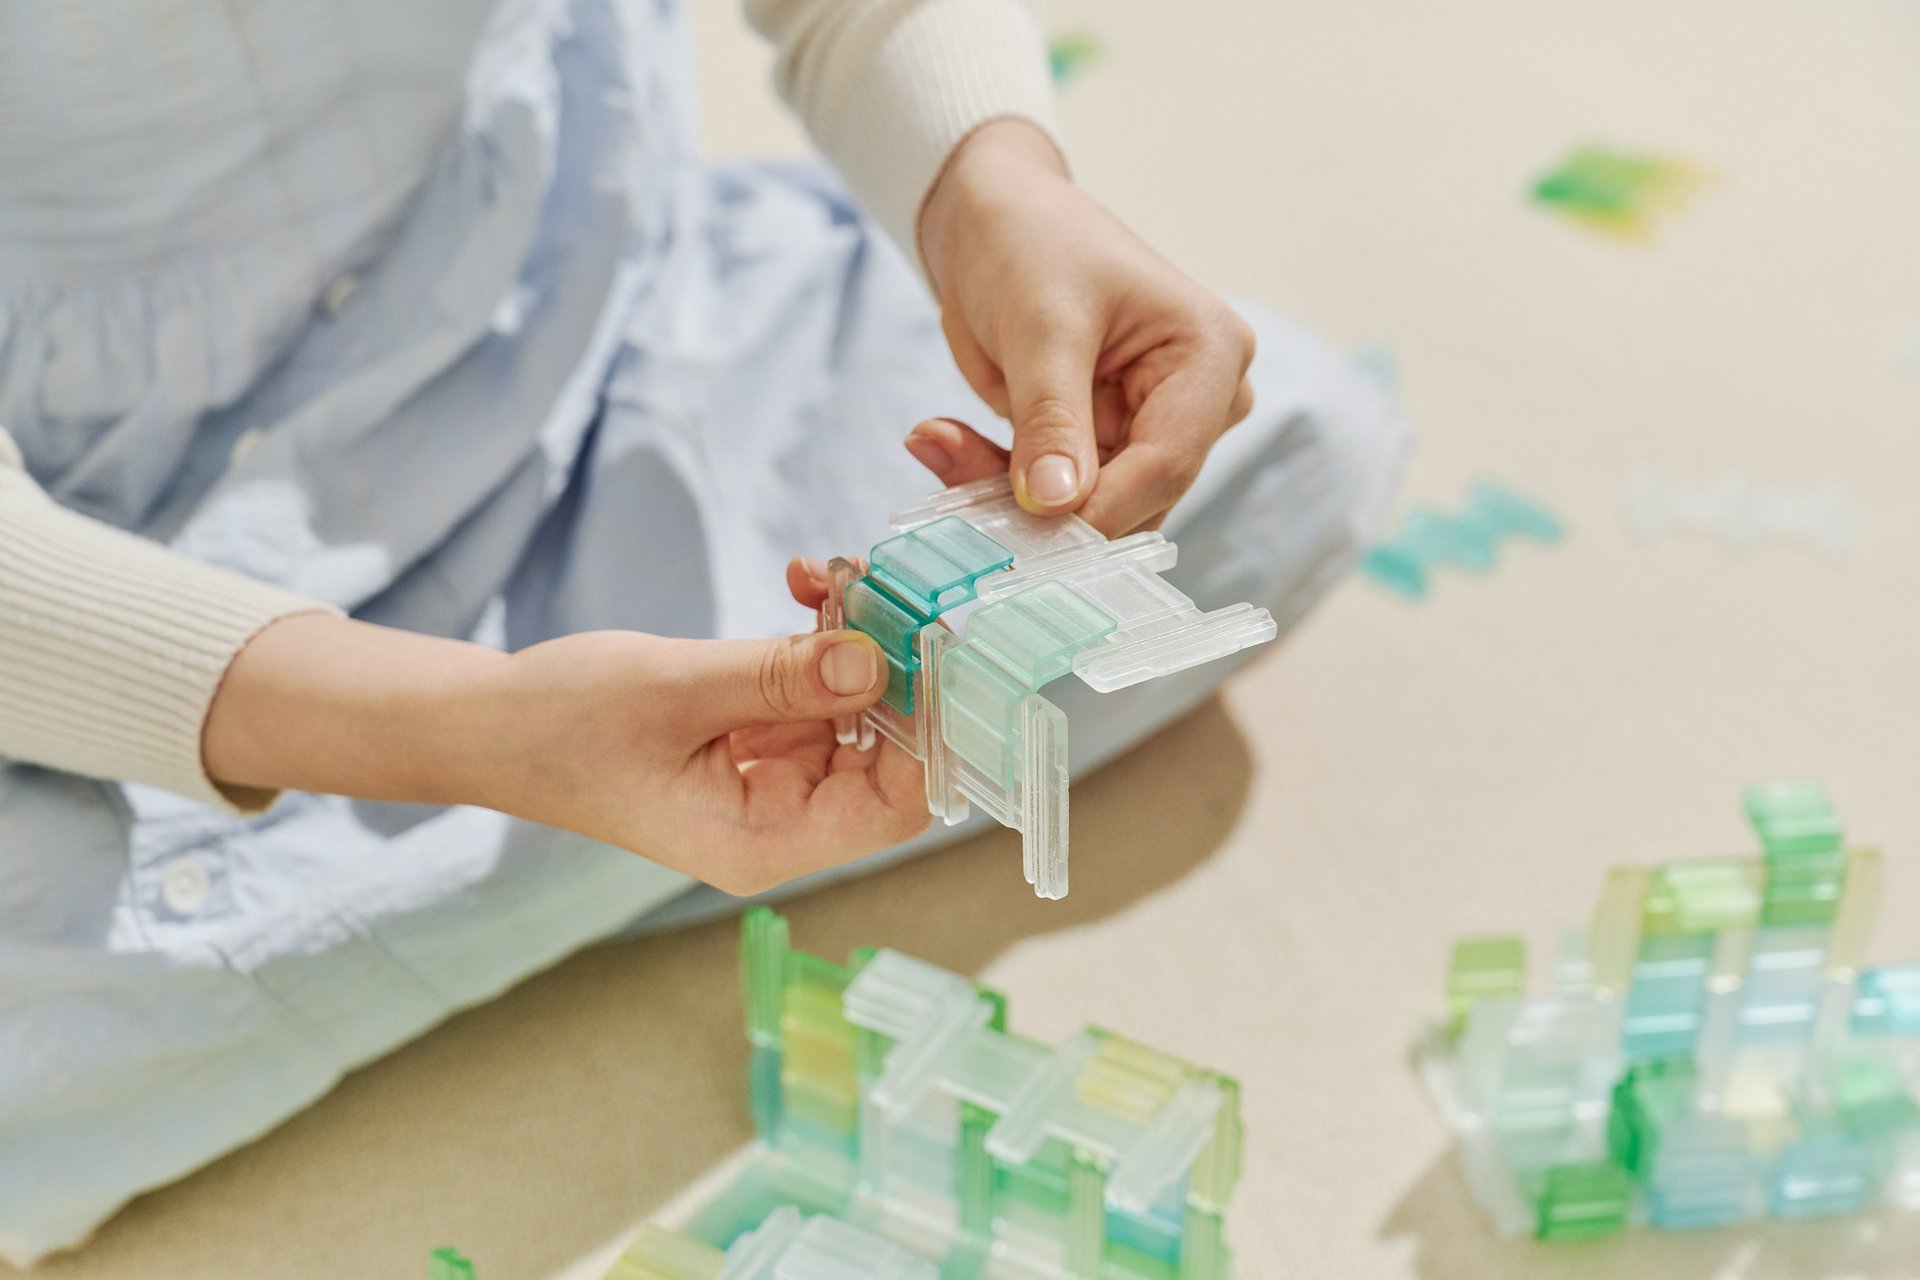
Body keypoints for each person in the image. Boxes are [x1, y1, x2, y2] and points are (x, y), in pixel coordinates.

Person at [0, 0, 1406, 1262]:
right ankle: (516, 828)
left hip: (578, 345)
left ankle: (522, 837)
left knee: (1287, 447)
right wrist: (463, 734)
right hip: (74, 567)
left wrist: (988, 178)